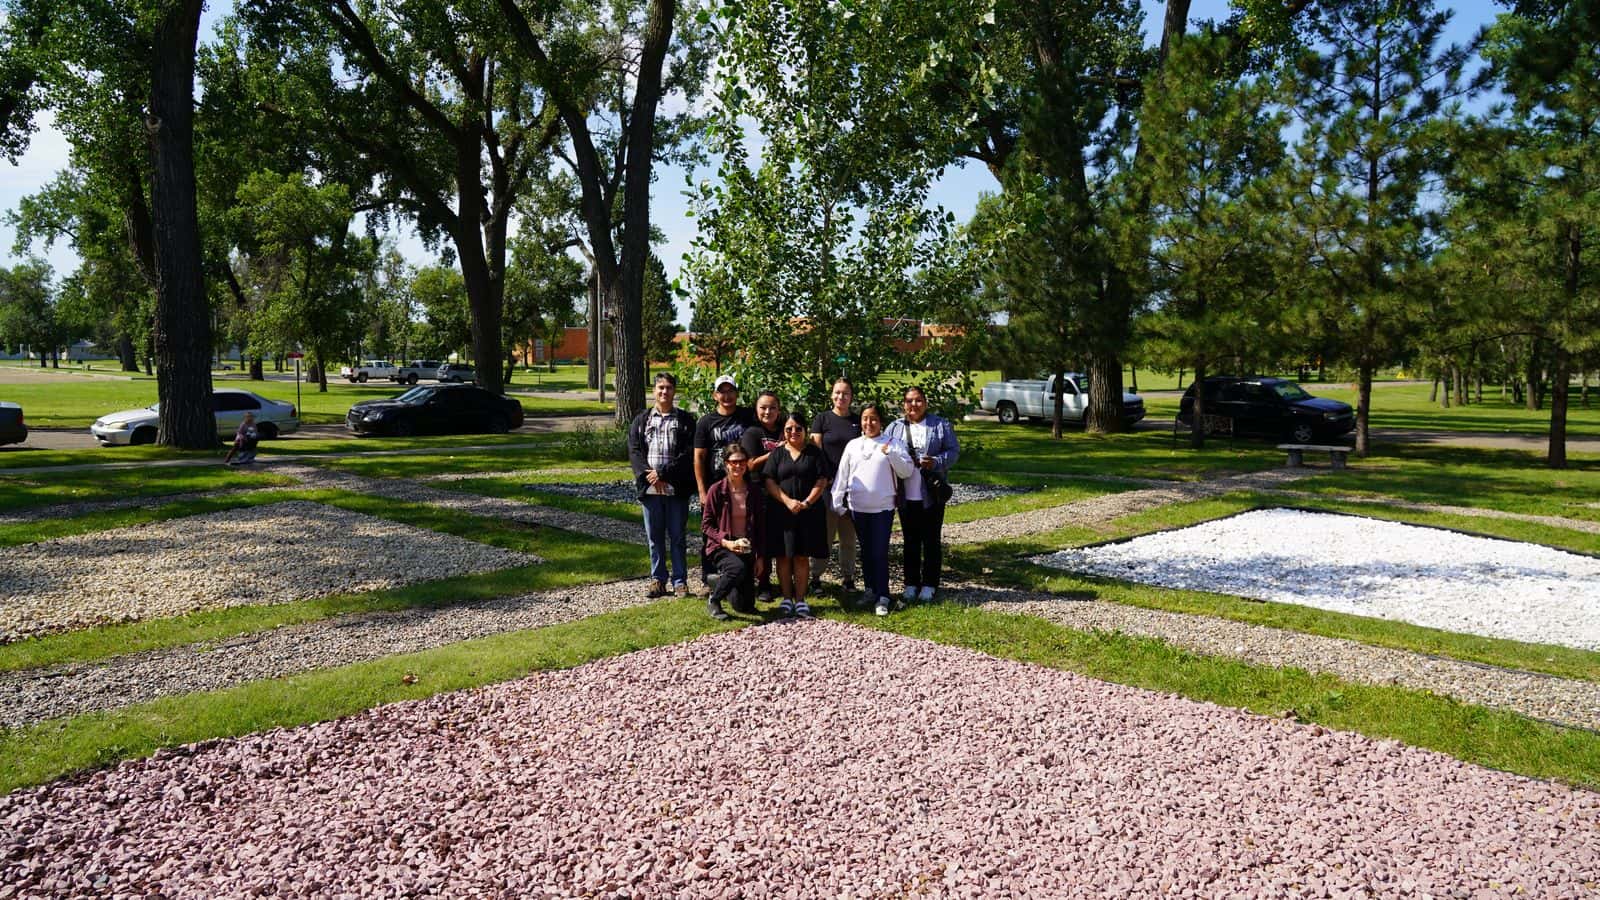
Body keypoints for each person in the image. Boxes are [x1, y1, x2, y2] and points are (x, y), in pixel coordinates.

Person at [830, 402, 913, 617]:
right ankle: (870, 590)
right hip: (858, 508)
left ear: (881, 421)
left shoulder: (892, 443)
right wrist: (837, 501)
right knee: (866, 551)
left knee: (879, 552)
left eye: (874, 419)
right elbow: (842, 474)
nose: (869, 423)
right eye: (865, 418)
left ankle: (883, 595)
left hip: (882, 509)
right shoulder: (853, 445)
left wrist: (891, 454)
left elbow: (906, 471)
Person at [884, 385, 960, 603]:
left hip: (931, 494)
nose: (914, 405)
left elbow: (953, 451)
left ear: (925, 403)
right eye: (909, 401)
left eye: (918, 400)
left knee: (931, 540)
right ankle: (911, 584)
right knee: (910, 541)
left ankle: (929, 584)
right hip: (906, 496)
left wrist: (936, 462)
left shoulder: (940, 425)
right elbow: (883, 451)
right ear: (903, 404)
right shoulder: (895, 428)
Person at [627, 372, 697, 599]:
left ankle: (680, 581)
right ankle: (658, 579)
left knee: (677, 537)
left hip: (676, 489)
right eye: (660, 387)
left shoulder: (685, 421)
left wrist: (663, 474)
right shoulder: (642, 420)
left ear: (674, 391)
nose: (664, 391)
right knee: (654, 538)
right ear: (654, 390)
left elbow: (689, 454)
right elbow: (634, 451)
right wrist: (649, 476)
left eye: (668, 387)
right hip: (650, 489)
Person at [763, 411, 830, 618]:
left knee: (801, 556)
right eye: (789, 428)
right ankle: (786, 598)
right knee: (783, 556)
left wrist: (807, 502)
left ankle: (800, 600)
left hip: (808, 512)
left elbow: (822, 479)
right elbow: (769, 480)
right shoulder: (777, 453)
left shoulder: (814, 453)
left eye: (798, 428)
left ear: (805, 430)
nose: (793, 432)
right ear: (784, 431)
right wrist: (787, 501)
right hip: (781, 512)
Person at [809, 377, 861, 600]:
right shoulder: (822, 419)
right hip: (828, 486)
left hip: (851, 488)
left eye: (846, 393)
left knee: (848, 537)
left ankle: (848, 578)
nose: (841, 397)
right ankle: (815, 577)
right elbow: (816, 450)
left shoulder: (858, 421)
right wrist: (826, 478)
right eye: (838, 392)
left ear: (851, 396)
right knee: (824, 535)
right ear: (832, 395)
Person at [701, 442, 765, 620]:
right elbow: (706, 525)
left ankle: (719, 581)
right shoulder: (716, 490)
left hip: (745, 546)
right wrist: (726, 542)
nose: (738, 465)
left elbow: (760, 527)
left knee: (745, 606)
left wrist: (760, 556)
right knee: (737, 568)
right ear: (726, 464)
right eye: (734, 462)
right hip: (722, 546)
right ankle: (714, 600)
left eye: (742, 461)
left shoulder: (754, 491)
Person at [740, 390, 786, 602]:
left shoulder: (785, 430)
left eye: (772, 408)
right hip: (760, 493)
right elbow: (749, 464)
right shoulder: (752, 433)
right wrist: (775, 452)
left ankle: (786, 581)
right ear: (756, 409)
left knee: (782, 539)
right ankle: (764, 583)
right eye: (763, 408)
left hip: (784, 491)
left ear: (779, 410)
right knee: (763, 540)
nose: (768, 412)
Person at [694, 374, 756, 505]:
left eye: (731, 391)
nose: (727, 396)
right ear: (715, 395)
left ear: (737, 394)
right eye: (722, 392)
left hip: (745, 483)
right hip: (715, 484)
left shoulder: (749, 416)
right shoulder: (705, 422)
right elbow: (699, 457)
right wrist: (702, 491)